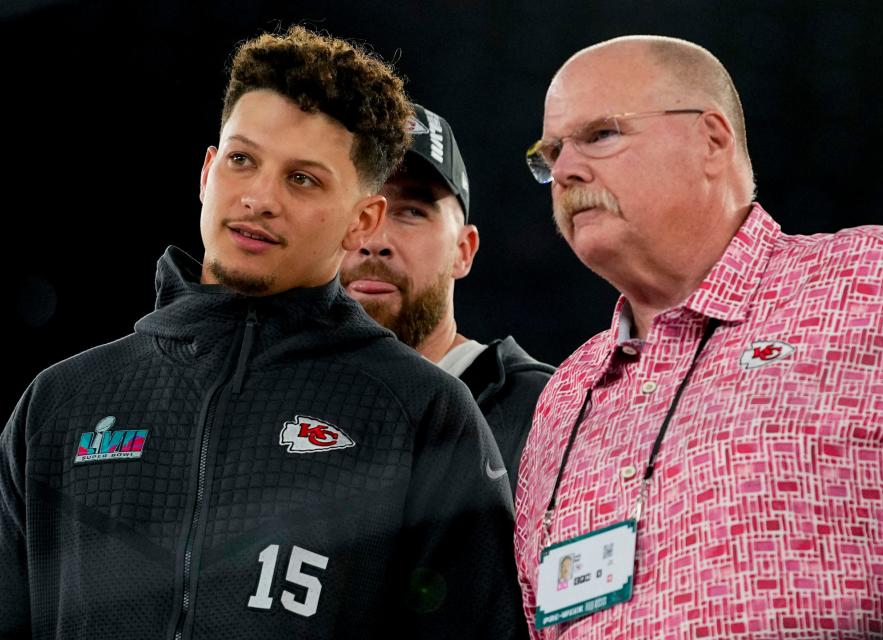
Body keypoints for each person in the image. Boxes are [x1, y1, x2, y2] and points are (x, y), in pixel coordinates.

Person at [0, 26, 525, 640]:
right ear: (206, 173)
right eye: (242, 160)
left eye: (303, 179)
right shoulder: (61, 403)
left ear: (362, 220)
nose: (258, 198)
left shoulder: (422, 413)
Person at [514, 35, 883, 638]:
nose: (565, 170)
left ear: (711, 141)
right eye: (550, 153)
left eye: (601, 135)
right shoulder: (564, 398)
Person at [341, 103, 554, 494]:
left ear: (463, 250)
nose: (374, 242)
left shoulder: (542, 412)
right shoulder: (273, 401)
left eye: (410, 212)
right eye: (359, 208)